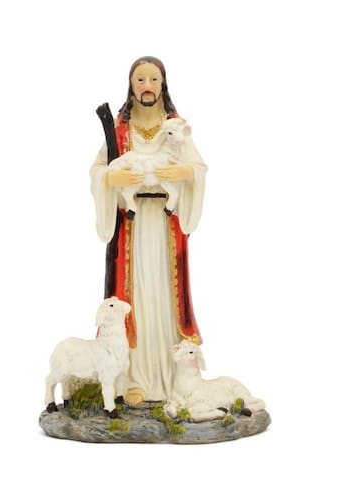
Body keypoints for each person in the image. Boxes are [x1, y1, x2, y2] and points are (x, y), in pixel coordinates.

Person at [90, 56, 207, 405]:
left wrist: (185, 174)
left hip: (166, 226)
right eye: (140, 79)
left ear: (163, 84)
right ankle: (134, 379)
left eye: (153, 79)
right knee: (135, 296)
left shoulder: (176, 126)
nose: (147, 85)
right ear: (131, 85)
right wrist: (111, 178)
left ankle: (172, 379)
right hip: (133, 226)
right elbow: (97, 170)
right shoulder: (120, 130)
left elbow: (199, 167)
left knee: (165, 297)